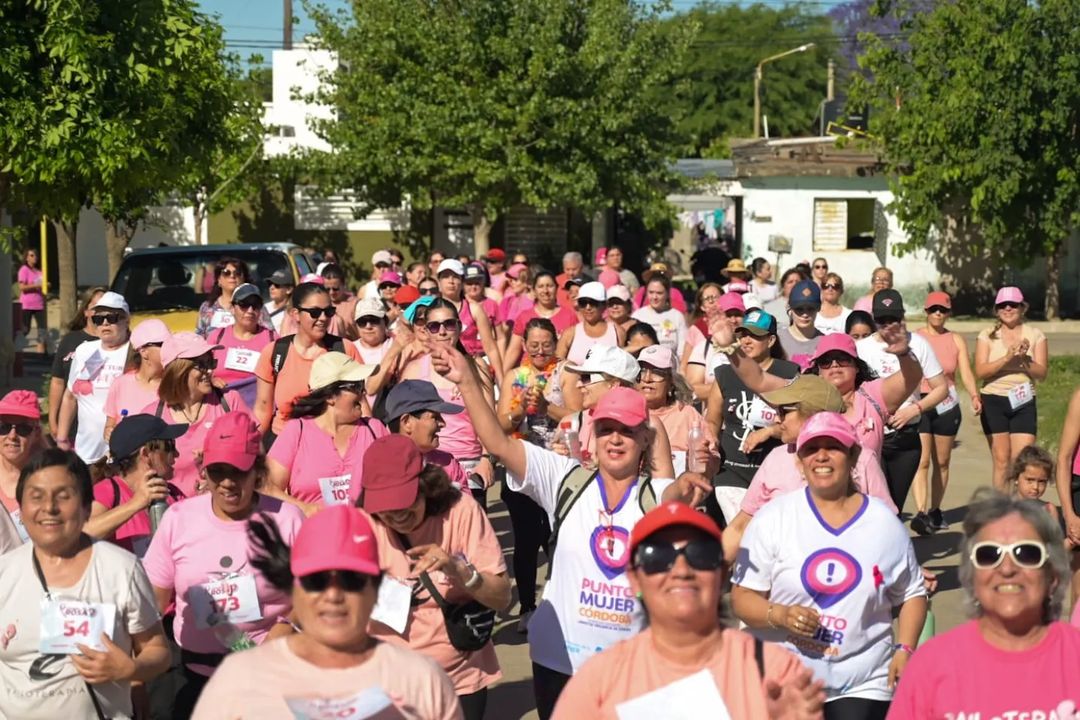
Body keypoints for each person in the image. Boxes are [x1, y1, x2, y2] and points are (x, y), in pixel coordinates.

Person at [430, 341, 686, 720]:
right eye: (606, 429)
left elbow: (676, 494)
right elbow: (499, 444)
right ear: (592, 433)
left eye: (627, 431)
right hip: (558, 660)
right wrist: (468, 381)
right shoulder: (565, 478)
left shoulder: (657, 495)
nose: (615, 439)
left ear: (645, 438)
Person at [732, 412, 928, 719]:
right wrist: (780, 614)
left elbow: (912, 593)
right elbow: (743, 598)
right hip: (787, 677)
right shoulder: (773, 517)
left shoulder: (883, 522)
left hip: (864, 681)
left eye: (833, 447)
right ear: (799, 461)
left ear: (853, 457)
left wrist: (905, 650)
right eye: (811, 448)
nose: (821, 456)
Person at [553, 501, 825, 719]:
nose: (681, 571)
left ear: (721, 574)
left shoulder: (773, 672)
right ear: (635, 578)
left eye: (700, 555)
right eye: (657, 557)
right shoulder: (600, 680)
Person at [192, 505, 463, 719]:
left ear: (376, 588)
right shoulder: (239, 679)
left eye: (351, 580)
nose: (333, 595)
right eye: (316, 581)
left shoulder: (422, 679)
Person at [143, 412, 305, 718]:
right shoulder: (179, 519)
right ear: (204, 469)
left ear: (256, 470)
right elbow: (153, 601)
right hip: (190, 673)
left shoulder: (287, 519)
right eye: (217, 471)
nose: (227, 483)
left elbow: (310, 594)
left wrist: (284, 629)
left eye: (238, 471)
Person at [0, 448, 171, 719]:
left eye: (63, 497)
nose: (49, 508)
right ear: (21, 508)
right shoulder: (5, 574)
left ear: (86, 507)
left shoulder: (121, 569)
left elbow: (158, 650)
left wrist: (131, 670)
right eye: (36, 497)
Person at [888, 489, 1080, 716]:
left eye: (1027, 554)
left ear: (1053, 573)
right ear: (971, 576)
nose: (1007, 569)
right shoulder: (931, 665)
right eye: (989, 554)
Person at [359, 435, 510, 720]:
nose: (397, 516)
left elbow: (502, 597)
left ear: (425, 485)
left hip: (457, 679)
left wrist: (459, 571)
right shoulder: (361, 523)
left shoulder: (461, 511)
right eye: (386, 510)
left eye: (405, 503)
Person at [721, 375, 898, 563]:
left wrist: (906, 573)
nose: (776, 418)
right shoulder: (776, 458)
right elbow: (740, 526)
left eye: (783, 411)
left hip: (848, 579)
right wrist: (709, 570)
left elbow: (887, 529)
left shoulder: (862, 459)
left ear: (814, 415)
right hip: (782, 583)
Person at [711, 323, 922, 465]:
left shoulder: (873, 394)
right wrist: (730, 346)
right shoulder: (804, 391)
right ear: (818, 369)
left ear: (857, 366)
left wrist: (904, 353)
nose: (834, 365)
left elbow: (910, 379)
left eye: (843, 358)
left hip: (864, 494)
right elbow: (758, 379)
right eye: (826, 361)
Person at [858, 290, 949, 514]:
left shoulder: (919, 344)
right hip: (870, 437)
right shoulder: (861, 349)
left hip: (905, 437)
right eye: (881, 320)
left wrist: (914, 409)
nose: (888, 325)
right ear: (873, 318)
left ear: (903, 317)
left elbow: (941, 388)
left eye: (894, 319)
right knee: (871, 506)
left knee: (893, 508)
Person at [495, 319, 560, 632]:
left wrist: (548, 407)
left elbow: (577, 412)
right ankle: (527, 606)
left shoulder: (566, 372)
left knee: (557, 538)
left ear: (555, 342)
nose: (540, 350)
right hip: (521, 467)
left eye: (546, 343)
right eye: (533, 344)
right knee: (526, 541)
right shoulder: (515, 376)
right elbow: (500, 425)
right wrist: (518, 412)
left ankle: (558, 599)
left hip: (558, 465)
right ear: (524, 345)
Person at [399, 298, 496, 506]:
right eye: (435, 326)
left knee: (474, 534)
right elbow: (404, 427)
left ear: (459, 327)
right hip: (430, 466)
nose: (442, 331)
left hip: (471, 465)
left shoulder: (477, 366)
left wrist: (487, 459)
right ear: (426, 331)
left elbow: (490, 418)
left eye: (449, 324)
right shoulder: (414, 370)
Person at [706, 310, 800, 522]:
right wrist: (711, 438)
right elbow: (712, 419)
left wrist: (769, 431)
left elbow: (798, 424)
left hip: (774, 468)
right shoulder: (724, 373)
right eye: (742, 334)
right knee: (741, 529)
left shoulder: (789, 374)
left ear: (771, 340)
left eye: (755, 335)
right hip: (732, 469)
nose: (747, 340)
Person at [266, 352, 385, 515]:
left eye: (362, 384)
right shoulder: (297, 431)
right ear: (330, 396)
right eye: (356, 386)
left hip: (366, 535)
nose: (363, 392)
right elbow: (267, 488)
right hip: (312, 535)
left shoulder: (375, 429)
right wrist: (304, 508)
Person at [910, 290, 982, 535]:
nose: (938, 314)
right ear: (926, 312)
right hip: (920, 401)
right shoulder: (915, 338)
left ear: (948, 313)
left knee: (942, 461)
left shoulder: (956, 340)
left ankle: (935, 509)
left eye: (942, 310)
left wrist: (974, 394)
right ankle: (920, 512)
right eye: (933, 310)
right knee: (922, 460)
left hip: (947, 404)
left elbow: (965, 372)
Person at [253, 282, 365, 438]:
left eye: (329, 311)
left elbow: (360, 403)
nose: (323, 318)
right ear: (295, 314)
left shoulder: (345, 349)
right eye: (315, 312)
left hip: (333, 442)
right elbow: (263, 408)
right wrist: (253, 445)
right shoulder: (275, 352)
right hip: (284, 441)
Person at [145, 332, 248, 497]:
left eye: (210, 362)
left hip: (223, 509)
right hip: (173, 513)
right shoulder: (151, 417)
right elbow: (144, 476)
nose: (209, 371)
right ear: (178, 370)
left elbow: (257, 456)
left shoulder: (229, 401)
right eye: (201, 364)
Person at [975, 286, 1049, 491]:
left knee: (1022, 461)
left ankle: (1019, 511)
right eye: (1002, 305)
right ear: (996, 309)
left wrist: (1025, 359)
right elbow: (981, 371)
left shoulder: (1035, 335)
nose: (1008, 309)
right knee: (1001, 460)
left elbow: (1042, 373)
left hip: (1023, 400)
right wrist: (1007, 357)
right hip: (993, 399)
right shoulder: (987, 335)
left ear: (1022, 307)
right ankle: (1000, 510)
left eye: (1013, 305)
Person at [87, 414, 187, 556]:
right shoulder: (109, 491)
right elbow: (82, 535)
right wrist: (136, 503)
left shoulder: (172, 493)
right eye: (169, 446)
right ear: (146, 454)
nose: (176, 454)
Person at [56, 291, 132, 464]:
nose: (105, 323)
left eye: (112, 318)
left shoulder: (134, 351)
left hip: (123, 454)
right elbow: (70, 397)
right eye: (98, 319)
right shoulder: (84, 350)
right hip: (86, 452)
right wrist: (61, 440)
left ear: (126, 319)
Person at [638, 345, 716, 477]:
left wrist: (704, 460)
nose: (647, 378)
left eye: (657, 372)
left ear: (671, 382)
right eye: (642, 371)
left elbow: (713, 462)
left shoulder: (688, 415)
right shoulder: (623, 413)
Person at [383, 379, 471, 490]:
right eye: (434, 417)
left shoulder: (448, 463)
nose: (443, 424)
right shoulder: (380, 468)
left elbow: (467, 505)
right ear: (407, 422)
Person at [49, 286, 108, 439]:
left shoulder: (113, 343)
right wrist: (53, 419)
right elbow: (58, 381)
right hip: (71, 423)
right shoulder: (70, 340)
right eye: (97, 308)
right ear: (86, 311)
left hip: (103, 424)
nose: (102, 313)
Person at [208, 283, 275, 410]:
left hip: (259, 412)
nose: (250, 310)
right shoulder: (216, 337)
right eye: (244, 304)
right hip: (221, 409)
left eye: (255, 305)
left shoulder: (273, 340)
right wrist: (211, 379)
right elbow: (200, 370)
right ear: (232, 308)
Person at [103, 318, 170, 441]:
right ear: (144, 351)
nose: (170, 348)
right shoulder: (120, 384)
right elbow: (110, 423)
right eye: (163, 344)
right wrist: (109, 431)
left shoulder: (174, 385)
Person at [436, 259, 505, 377]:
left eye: (455, 277)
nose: (451, 281)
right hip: (440, 367)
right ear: (439, 282)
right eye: (446, 276)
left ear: (462, 281)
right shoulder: (430, 309)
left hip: (472, 368)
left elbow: (490, 347)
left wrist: (501, 379)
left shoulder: (474, 309)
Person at [0, 390, 47, 545]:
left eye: (23, 429)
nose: (12, 435)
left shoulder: (49, 478)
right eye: (3, 427)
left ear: (37, 433)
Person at [506, 271, 579, 370]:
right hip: (528, 374)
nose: (545, 291)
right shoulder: (524, 316)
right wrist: (503, 377)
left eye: (549, 286)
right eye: (540, 286)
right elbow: (513, 351)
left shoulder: (569, 315)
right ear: (534, 291)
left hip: (558, 373)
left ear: (557, 288)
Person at [685, 293, 746, 399]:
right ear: (719, 316)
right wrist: (733, 387)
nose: (733, 320)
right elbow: (692, 389)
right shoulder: (704, 347)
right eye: (728, 315)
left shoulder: (752, 345)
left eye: (737, 314)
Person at [196, 257, 271, 338]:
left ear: (244, 278)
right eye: (226, 273)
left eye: (237, 273)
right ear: (219, 280)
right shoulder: (207, 307)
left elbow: (269, 336)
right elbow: (198, 338)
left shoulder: (256, 307)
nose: (232, 276)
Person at [556, 281, 624, 364]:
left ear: (604, 305)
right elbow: (557, 366)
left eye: (593, 302)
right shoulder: (569, 334)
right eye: (583, 303)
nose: (588, 307)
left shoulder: (618, 332)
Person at [632, 275, 688, 355]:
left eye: (659, 293)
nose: (655, 297)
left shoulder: (677, 316)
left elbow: (682, 350)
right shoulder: (638, 316)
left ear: (667, 294)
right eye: (651, 292)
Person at [778, 280, 824, 369]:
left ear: (818, 308)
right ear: (790, 308)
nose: (805, 314)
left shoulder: (825, 342)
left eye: (810, 309)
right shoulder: (777, 339)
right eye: (799, 309)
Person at [495, 262, 533, 349]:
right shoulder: (507, 301)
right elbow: (504, 330)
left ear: (526, 281)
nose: (511, 282)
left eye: (515, 279)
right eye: (510, 279)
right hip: (512, 346)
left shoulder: (536, 301)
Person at [17, 248, 47, 354]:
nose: (34, 257)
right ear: (26, 257)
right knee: (25, 329)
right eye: (31, 255)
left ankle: (41, 355)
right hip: (27, 304)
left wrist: (46, 285)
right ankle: (17, 350)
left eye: (35, 255)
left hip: (39, 304)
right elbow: (22, 287)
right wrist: (37, 285)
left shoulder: (39, 271)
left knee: (42, 331)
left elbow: (43, 284)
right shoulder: (24, 270)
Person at [762, 266, 809, 331]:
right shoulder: (768, 308)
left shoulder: (811, 308)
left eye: (797, 282)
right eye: (790, 282)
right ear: (783, 286)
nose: (794, 284)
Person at [265, 269, 296, 336]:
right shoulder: (264, 308)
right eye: (270, 284)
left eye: (277, 285)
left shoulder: (293, 313)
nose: (271, 287)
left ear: (289, 290)